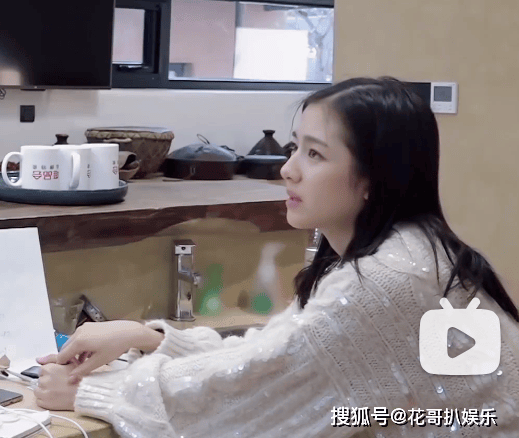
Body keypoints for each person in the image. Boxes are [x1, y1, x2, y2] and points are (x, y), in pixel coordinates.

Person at [33, 77, 519, 437]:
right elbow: (271, 355)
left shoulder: (382, 281)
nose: (288, 169)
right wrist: (147, 337)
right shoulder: (401, 249)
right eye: (294, 148)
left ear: (375, 179)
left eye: (315, 155)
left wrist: (91, 393)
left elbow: (246, 398)